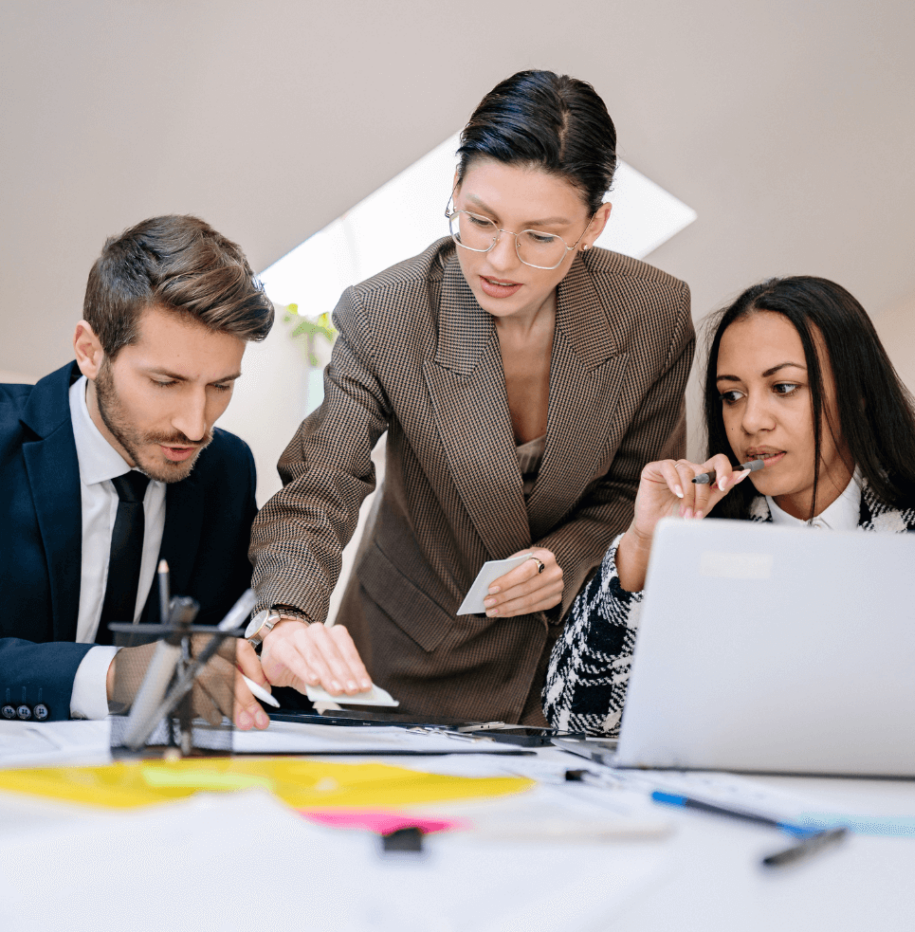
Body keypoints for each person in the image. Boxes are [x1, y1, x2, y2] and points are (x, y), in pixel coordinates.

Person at [249, 70, 695, 724]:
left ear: (595, 224)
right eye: (480, 220)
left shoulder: (653, 315)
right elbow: (321, 484)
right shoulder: (385, 314)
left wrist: (564, 557)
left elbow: (637, 490)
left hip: (570, 667)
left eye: (540, 235)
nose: (499, 260)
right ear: (455, 189)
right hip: (404, 661)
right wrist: (284, 618)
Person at [544, 276, 915, 762]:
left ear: (858, 393)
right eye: (732, 395)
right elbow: (575, 723)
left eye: (784, 387)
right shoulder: (697, 541)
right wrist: (644, 544)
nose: (751, 421)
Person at [0, 214, 276, 729]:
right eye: (166, 382)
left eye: (221, 386)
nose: (196, 426)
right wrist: (111, 673)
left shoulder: (226, 469)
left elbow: (227, 654)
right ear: (90, 352)